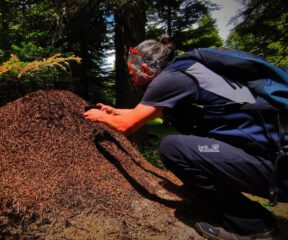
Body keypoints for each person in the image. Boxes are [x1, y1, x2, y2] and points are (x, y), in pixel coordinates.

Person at [84, 37, 288, 240]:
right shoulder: (185, 71)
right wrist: (112, 111)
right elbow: (143, 113)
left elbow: (126, 126)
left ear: (145, 69)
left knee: (172, 149)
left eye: (132, 75)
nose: (133, 81)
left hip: (275, 167)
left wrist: (97, 117)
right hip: (267, 156)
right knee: (183, 148)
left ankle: (252, 224)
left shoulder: (169, 80)